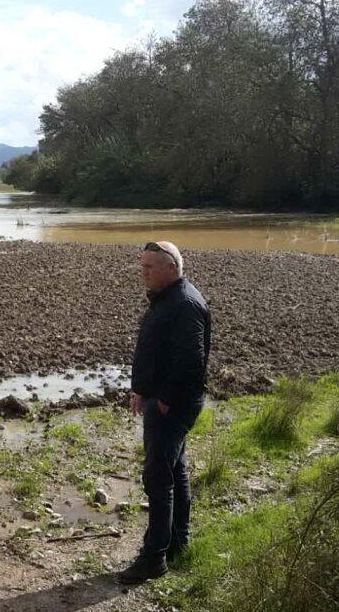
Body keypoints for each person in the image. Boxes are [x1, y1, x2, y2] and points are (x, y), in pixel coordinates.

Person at [116, 241, 211, 585]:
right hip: (161, 399)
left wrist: (166, 398)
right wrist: (142, 390)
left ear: (171, 268)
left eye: (149, 267)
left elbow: (192, 361)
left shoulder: (184, 304)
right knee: (175, 470)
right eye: (142, 266)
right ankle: (176, 542)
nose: (143, 273)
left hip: (173, 404)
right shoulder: (168, 298)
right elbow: (157, 352)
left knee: (157, 478)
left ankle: (154, 557)